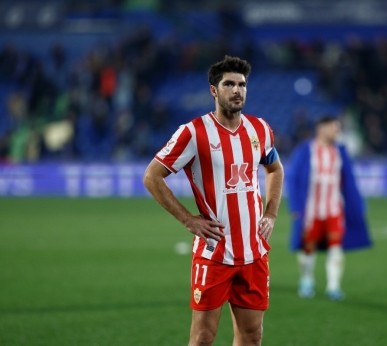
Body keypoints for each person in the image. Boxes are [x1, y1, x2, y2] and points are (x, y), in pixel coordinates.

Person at [143, 56, 284, 345]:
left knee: (252, 335)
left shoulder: (260, 130)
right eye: (229, 84)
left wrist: (270, 213)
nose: (237, 90)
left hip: (254, 252)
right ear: (213, 91)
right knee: (204, 337)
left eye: (242, 84)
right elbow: (152, 177)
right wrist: (188, 220)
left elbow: (275, 168)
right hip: (215, 253)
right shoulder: (193, 133)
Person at [286, 116, 371, 301]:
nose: (336, 131)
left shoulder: (340, 151)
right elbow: (293, 180)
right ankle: (307, 280)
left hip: (334, 210)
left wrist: (357, 206)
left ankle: (333, 286)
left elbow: (349, 181)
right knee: (308, 248)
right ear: (321, 128)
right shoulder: (305, 151)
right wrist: (295, 206)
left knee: (336, 247)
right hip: (311, 211)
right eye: (333, 127)